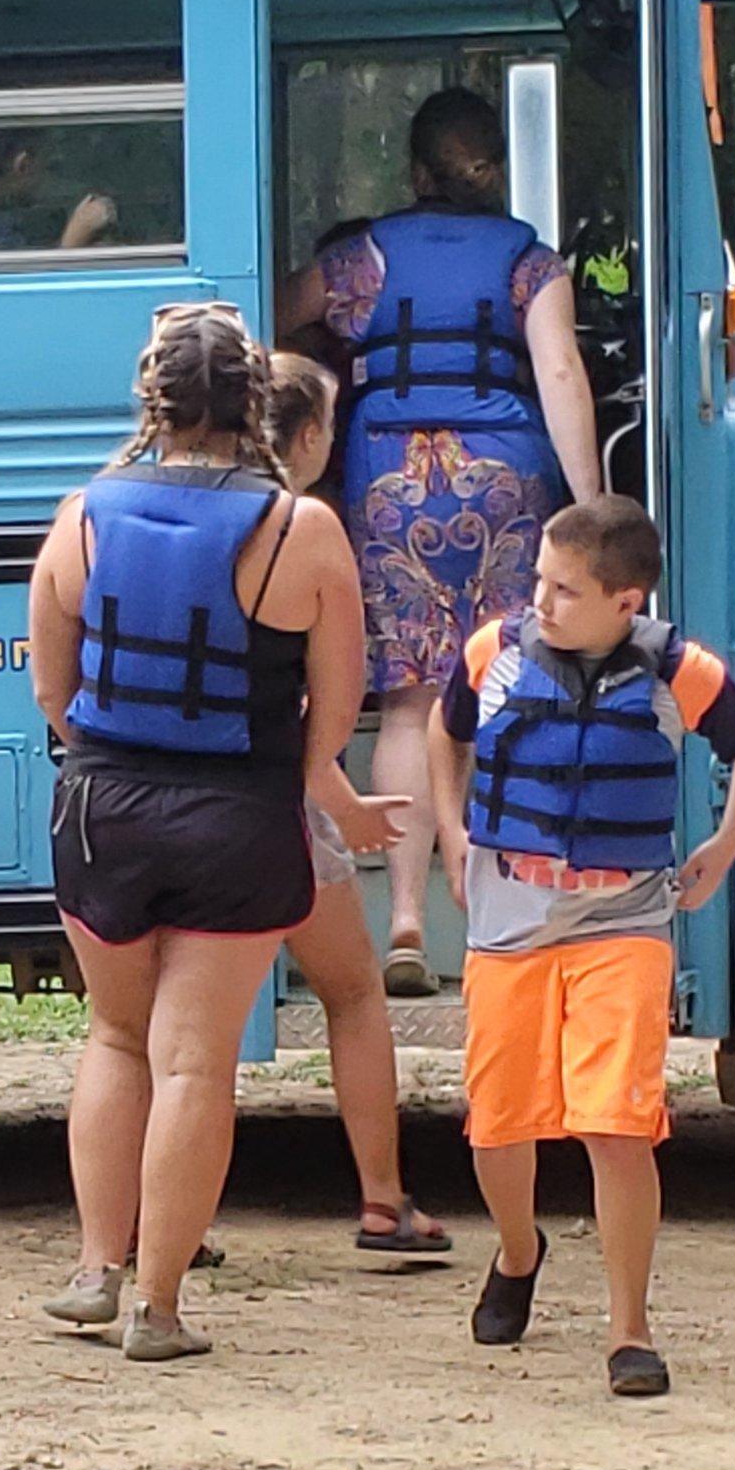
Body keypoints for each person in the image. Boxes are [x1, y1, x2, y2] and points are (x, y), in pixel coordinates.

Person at [26, 299, 387, 1363]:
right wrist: (298, 772)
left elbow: (55, 687)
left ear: (154, 400)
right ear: (256, 404)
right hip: (239, 812)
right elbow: (335, 709)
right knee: (194, 1065)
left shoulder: (82, 514)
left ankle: (95, 1267)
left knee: (114, 1037)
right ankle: (161, 1308)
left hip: (104, 808)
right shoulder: (301, 531)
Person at [426, 492, 735, 1399]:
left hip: (624, 922)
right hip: (509, 920)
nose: (539, 603)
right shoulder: (495, 654)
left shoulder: (678, 671)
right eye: (539, 582)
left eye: (564, 590)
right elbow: (445, 732)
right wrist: (452, 832)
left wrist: (722, 847)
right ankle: (518, 1252)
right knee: (499, 1125)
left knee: (617, 1125)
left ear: (627, 603)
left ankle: (630, 1330)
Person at [281, 87, 603, 994]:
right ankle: (507, 909)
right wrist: (590, 511)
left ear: (417, 173)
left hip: (389, 487)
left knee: (415, 699)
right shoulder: (530, 264)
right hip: (506, 486)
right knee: (506, 688)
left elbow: (264, 313)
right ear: (492, 164)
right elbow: (561, 371)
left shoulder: (362, 258)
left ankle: (410, 922)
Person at [262, 353, 447, 1258]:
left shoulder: (129, 513)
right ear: (305, 439)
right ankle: (383, 1199)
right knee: (352, 992)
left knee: (170, 1040)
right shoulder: (306, 528)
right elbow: (321, 714)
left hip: (148, 806)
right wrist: (346, 804)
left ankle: (142, 1233)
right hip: (274, 814)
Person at [0, 128, 116, 259]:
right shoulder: (9, 228)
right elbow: (21, 300)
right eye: (47, 165)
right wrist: (73, 241)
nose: (47, 178)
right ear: (24, 165)